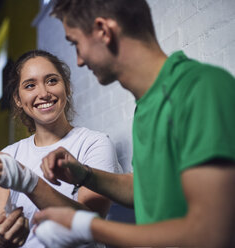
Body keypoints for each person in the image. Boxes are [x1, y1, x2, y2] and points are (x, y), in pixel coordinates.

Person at [32, 0, 235, 247]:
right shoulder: (147, 105)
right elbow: (143, 189)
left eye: (76, 44)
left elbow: (210, 235)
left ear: (104, 31)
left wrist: (85, 226)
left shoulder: (200, 89)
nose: (79, 61)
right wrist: (83, 174)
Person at [0, 50, 122, 247]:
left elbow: (92, 222)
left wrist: (28, 181)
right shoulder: (10, 155)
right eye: (30, 85)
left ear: (67, 87)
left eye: (52, 81)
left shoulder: (94, 143)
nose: (43, 93)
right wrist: (1, 238)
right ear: (18, 100)